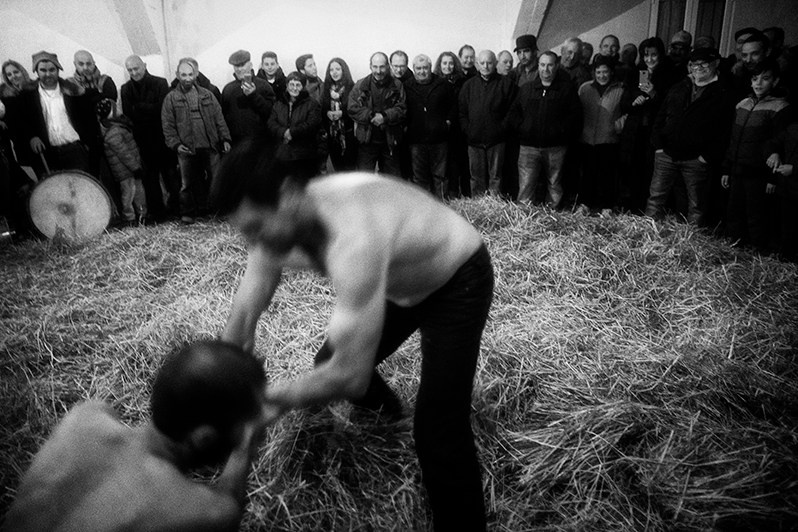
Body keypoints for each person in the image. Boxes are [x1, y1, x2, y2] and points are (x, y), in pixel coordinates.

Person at [215, 148, 494, 532]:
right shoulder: (275, 230)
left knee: (437, 432)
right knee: (322, 365)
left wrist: (265, 402)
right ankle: (390, 418)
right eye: (246, 232)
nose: (254, 243)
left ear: (289, 194)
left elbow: (350, 375)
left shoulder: (353, 236)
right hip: (396, 286)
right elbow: (245, 312)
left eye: (257, 228)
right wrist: (221, 384)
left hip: (456, 280)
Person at [1, 340, 268, 532]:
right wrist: (245, 445)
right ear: (203, 438)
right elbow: (228, 503)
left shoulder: (86, 417)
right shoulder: (205, 513)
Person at [646, 47, 736, 226]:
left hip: (697, 158)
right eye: (694, 64)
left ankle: (692, 238)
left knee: (696, 204)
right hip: (667, 153)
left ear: (716, 63)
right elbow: (662, 115)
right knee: (656, 197)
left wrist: (706, 157)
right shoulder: (680, 87)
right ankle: (647, 231)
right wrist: (658, 145)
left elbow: (725, 130)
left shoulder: (722, 92)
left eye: (704, 64)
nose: (699, 68)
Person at [721, 59, 791, 253]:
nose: (759, 83)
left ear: (775, 81)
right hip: (737, 168)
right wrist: (727, 168)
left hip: (759, 172)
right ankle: (734, 248)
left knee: (756, 214)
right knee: (734, 211)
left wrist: (772, 177)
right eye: (755, 78)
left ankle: (757, 252)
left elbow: (781, 144)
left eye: (765, 78)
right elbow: (733, 139)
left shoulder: (780, 107)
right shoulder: (743, 104)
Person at [506, 50, 581, 208]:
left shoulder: (566, 90)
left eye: (550, 65)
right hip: (529, 147)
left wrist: (560, 133)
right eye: (542, 65)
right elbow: (514, 113)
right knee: (526, 186)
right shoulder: (527, 88)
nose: (545, 69)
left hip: (556, 148)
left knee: (554, 185)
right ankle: (523, 219)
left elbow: (575, 117)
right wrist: (523, 129)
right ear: (538, 65)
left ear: (557, 66)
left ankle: (552, 218)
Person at [161, 57, 231, 224]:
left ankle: (219, 211)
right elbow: (167, 126)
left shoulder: (207, 95)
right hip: (186, 148)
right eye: (183, 74)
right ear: (177, 75)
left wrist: (225, 138)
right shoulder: (170, 98)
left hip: (210, 145)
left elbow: (219, 118)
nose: (187, 78)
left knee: (216, 180)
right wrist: (176, 145)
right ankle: (188, 213)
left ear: (196, 74)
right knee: (186, 184)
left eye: (190, 74)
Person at [617, 37, 675, 213]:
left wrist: (654, 94)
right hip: (634, 131)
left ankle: (645, 208)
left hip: (653, 132)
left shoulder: (669, 75)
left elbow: (670, 107)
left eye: (654, 55)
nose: (649, 59)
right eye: (646, 55)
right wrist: (634, 102)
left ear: (661, 55)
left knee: (649, 171)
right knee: (630, 169)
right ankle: (629, 206)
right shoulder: (636, 73)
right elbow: (623, 104)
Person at [121, 54, 178, 221]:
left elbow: (163, 109)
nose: (133, 72)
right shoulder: (125, 89)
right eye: (130, 70)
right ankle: (157, 213)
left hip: (162, 138)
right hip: (143, 141)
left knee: (170, 175)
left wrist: (139, 107)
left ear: (144, 66)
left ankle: (176, 209)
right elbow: (128, 114)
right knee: (150, 179)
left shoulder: (160, 83)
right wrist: (149, 109)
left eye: (136, 68)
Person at [22, 51, 94, 177]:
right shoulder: (28, 95)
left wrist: (86, 144)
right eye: (43, 70)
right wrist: (32, 136)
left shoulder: (73, 91)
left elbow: (88, 120)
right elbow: (22, 121)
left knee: (81, 191)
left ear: (58, 70)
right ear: (37, 72)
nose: (48, 74)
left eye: (52, 69)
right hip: (47, 154)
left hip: (75, 152)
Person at [459, 50, 516, 196]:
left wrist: (502, 129)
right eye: (482, 63)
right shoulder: (468, 85)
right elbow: (462, 112)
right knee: (476, 178)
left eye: (489, 62)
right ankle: (478, 208)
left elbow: (513, 111)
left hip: (497, 141)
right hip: (474, 140)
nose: (486, 66)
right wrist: (468, 130)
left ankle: (494, 208)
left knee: (496, 178)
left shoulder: (506, 84)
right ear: (477, 64)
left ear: (495, 63)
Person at [577, 56, 625, 215]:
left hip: (608, 139)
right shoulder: (585, 88)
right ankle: (584, 204)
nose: (602, 75)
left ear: (611, 72)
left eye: (605, 72)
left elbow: (627, 113)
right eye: (598, 72)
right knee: (587, 174)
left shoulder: (620, 89)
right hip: (587, 138)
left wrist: (617, 126)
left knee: (607, 175)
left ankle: (607, 207)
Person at [404, 54, 457, 199]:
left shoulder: (442, 84)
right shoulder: (407, 86)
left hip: (439, 140)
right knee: (420, 178)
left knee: (440, 177)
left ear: (430, 67)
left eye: (425, 68)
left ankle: (442, 207)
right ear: (413, 69)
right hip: (416, 140)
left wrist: (447, 123)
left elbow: (453, 106)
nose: (422, 71)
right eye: (418, 68)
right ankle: (424, 210)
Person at [348, 52, 406, 176]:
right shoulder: (360, 85)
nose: (378, 71)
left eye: (382, 67)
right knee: (365, 180)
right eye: (375, 67)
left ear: (388, 66)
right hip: (366, 142)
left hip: (390, 141)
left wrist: (384, 117)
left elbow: (402, 109)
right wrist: (371, 116)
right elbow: (352, 108)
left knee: (392, 181)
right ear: (370, 66)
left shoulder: (397, 85)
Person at [96, 98, 147, 227]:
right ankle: (130, 218)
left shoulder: (116, 126)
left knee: (135, 193)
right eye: (115, 107)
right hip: (126, 171)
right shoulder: (114, 132)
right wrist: (135, 167)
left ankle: (141, 216)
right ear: (111, 112)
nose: (119, 108)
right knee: (130, 195)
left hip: (129, 169)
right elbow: (123, 152)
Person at [267, 71, 323, 182]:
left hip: (305, 155)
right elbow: (271, 123)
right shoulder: (279, 104)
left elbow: (312, 125)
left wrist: (292, 133)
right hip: (283, 155)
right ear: (287, 86)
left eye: (298, 85)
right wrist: (283, 132)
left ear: (303, 87)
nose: (294, 88)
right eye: (291, 85)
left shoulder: (312, 104)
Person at [221, 49, 275, 147]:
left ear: (250, 65)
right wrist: (226, 139)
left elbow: (272, 113)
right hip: (237, 144)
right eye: (236, 66)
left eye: (242, 65)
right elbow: (223, 118)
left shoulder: (263, 86)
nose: (239, 69)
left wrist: (254, 95)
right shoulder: (228, 89)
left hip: (261, 143)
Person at [434, 51, 469, 197]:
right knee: (441, 165)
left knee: (456, 164)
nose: (448, 66)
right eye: (444, 63)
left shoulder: (462, 81)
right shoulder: (434, 81)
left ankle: (455, 194)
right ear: (439, 65)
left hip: (458, 130)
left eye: (450, 63)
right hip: (440, 130)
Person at [765, 116, 798, 261]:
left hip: (793, 183)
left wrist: (795, 169)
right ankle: (785, 257)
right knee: (786, 226)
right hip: (788, 189)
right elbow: (772, 142)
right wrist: (774, 153)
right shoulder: (793, 127)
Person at [321, 57, 357, 172]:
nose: (334, 72)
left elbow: (356, 111)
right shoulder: (325, 89)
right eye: (331, 70)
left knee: (350, 170)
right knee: (338, 170)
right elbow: (321, 110)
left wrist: (342, 113)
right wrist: (327, 113)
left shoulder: (352, 87)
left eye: (338, 69)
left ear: (344, 70)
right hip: (333, 136)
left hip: (349, 135)